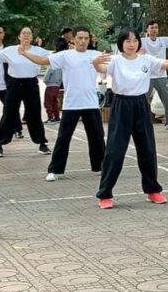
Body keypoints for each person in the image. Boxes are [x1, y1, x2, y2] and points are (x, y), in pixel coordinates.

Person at [92, 27, 168, 208]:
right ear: (121, 43)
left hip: (141, 105)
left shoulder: (146, 60)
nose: (131, 44)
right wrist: (96, 63)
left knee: (147, 149)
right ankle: (104, 194)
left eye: (135, 40)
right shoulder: (115, 60)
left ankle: (153, 190)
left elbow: (165, 64)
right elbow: (102, 67)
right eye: (127, 41)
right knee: (115, 150)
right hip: (121, 105)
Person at [17, 27, 105, 181]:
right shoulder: (65, 55)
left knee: (97, 137)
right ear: (73, 39)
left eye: (86, 38)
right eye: (80, 38)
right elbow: (44, 61)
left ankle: (101, 166)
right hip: (71, 104)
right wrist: (25, 54)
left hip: (90, 103)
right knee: (63, 138)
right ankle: (55, 170)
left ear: (89, 40)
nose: (83, 41)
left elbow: (118, 61)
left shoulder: (95, 55)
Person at [0, 27, 51, 158]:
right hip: (14, 84)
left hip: (31, 84)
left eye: (29, 33)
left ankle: (42, 143)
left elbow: (56, 56)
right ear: (19, 36)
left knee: (34, 114)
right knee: (9, 113)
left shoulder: (39, 51)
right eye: (23, 33)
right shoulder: (10, 50)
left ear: (32, 37)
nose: (26, 35)